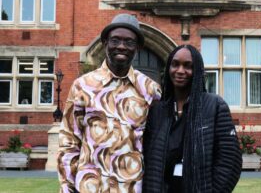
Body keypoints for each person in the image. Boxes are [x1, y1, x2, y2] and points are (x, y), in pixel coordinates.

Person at [57, 14, 161, 193]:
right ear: (105, 43)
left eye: (129, 42)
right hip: (89, 188)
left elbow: (158, 143)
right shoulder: (83, 86)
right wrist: (67, 186)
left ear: (138, 47)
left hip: (131, 188)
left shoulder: (151, 90)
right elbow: (69, 140)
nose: (121, 46)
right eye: (115, 40)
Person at [143, 44, 242, 193]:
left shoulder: (214, 106)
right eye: (175, 64)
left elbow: (230, 161)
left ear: (197, 71)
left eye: (188, 66)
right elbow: (148, 159)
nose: (180, 71)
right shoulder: (157, 112)